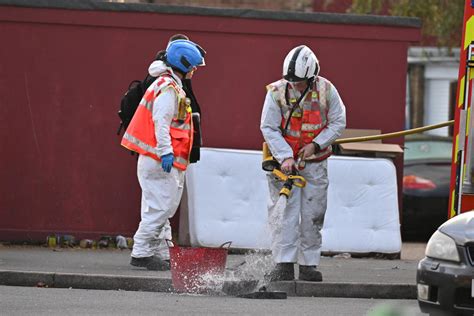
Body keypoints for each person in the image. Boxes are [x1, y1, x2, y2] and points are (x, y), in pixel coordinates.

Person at [260, 45, 346, 282]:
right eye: (291, 81)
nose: (294, 86)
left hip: (315, 163)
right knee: (285, 213)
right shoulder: (276, 92)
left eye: (299, 82)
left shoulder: (327, 90)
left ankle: (309, 265)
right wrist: (285, 156)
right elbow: (268, 127)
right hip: (283, 164)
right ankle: (283, 263)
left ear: (311, 76)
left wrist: (316, 145)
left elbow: (338, 122)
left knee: (313, 213)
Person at [121, 39, 206, 271]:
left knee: (160, 208)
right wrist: (166, 152)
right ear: (185, 64)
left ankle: (163, 252)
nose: (195, 71)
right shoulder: (169, 89)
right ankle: (140, 252)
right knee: (160, 210)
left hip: (154, 158)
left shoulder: (165, 84)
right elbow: (161, 122)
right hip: (160, 159)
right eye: (194, 67)